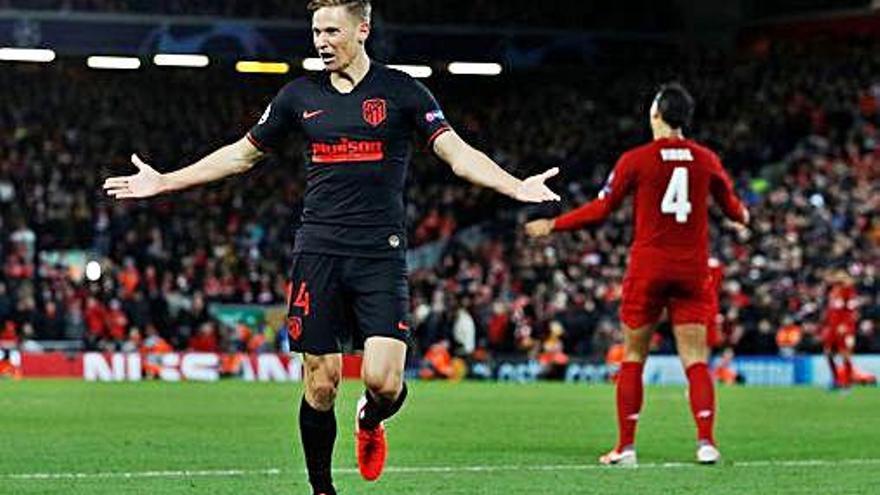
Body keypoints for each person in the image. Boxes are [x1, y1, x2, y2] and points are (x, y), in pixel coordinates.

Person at [103, 1, 560, 492]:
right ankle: (322, 489)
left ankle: (370, 421)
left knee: (384, 382)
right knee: (321, 383)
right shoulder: (297, 96)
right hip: (318, 250)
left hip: (379, 253)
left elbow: (457, 154)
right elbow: (240, 155)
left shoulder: (403, 92)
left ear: (362, 30)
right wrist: (166, 181)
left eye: (332, 31)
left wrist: (516, 187)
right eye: (316, 31)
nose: (321, 41)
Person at [525, 83, 748, 466]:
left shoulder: (637, 159)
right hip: (692, 269)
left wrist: (554, 225)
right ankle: (706, 443)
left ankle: (625, 447)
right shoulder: (706, 159)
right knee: (695, 359)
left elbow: (602, 208)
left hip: (649, 268)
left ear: (656, 115)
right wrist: (744, 217)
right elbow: (732, 208)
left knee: (633, 356)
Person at [822, 271, 860, 389]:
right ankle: (836, 380)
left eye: (842, 275)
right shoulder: (834, 290)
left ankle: (848, 384)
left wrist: (846, 325)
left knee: (845, 354)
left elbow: (852, 312)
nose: (839, 277)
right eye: (837, 275)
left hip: (844, 328)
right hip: (832, 328)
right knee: (828, 353)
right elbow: (831, 310)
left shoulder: (849, 291)